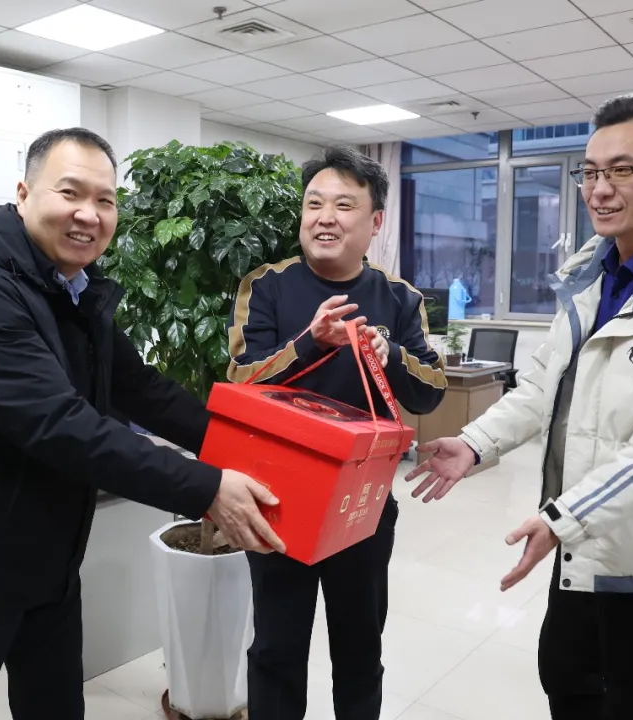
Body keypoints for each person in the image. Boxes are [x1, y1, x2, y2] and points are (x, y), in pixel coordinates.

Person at [0, 128, 284, 720]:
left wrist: (242, 446)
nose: (89, 215)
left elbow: (140, 388)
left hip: (47, 558)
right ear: (24, 193)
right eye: (70, 193)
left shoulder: (71, 288)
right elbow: (62, 425)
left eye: (105, 200)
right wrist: (207, 487)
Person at [407, 93, 633, 719]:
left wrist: (562, 518)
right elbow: (540, 389)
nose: (600, 189)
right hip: (580, 538)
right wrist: (473, 443)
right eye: (591, 171)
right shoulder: (590, 280)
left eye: (623, 169)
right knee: (567, 682)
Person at [227, 144, 447, 719]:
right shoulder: (267, 285)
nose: (324, 218)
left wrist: (389, 354)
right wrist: (309, 342)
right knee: (276, 649)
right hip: (277, 502)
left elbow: (430, 389)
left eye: (343, 205)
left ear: (375, 222)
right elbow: (241, 378)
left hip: (363, 505)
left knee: (359, 648)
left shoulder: (400, 298)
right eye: (314, 203)